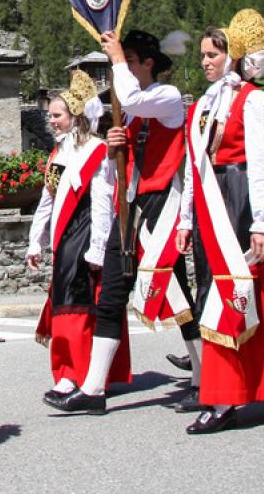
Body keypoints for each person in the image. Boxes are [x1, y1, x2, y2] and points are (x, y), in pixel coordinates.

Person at [173, 13, 264, 434]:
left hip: (244, 201)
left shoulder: (255, 101)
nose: (205, 62)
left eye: (212, 54)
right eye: (201, 56)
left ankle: (229, 395)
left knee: (249, 297)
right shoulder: (199, 107)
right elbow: (194, 168)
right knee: (218, 292)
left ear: (231, 56)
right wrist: (184, 219)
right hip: (213, 205)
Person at [47, 27, 192, 415]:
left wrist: (114, 59)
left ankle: (203, 375)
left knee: (174, 293)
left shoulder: (167, 97)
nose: (122, 66)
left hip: (162, 205)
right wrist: (114, 150)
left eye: (130, 59)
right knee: (110, 296)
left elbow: (131, 96)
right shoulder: (130, 112)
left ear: (146, 63)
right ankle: (94, 388)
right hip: (129, 208)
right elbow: (115, 173)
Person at [26, 70, 127, 398]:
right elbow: (48, 199)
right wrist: (35, 241)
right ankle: (67, 371)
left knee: (80, 304)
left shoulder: (97, 151)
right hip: (64, 238)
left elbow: (102, 202)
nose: (51, 121)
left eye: (57, 116)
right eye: (51, 116)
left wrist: (98, 248)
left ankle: (79, 374)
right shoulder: (58, 154)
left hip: (83, 235)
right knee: (64, 303)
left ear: (74, 117)